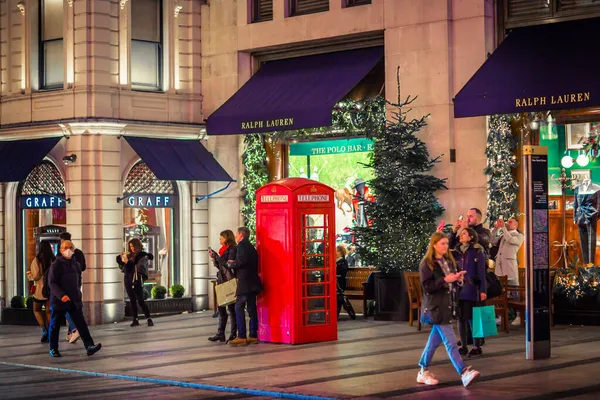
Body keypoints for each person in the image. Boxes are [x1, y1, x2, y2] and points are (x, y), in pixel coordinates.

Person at [417, 232, 480, 388]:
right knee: (451, 342)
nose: (446, 246)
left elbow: (453, 283)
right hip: (436, 307)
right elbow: (427, 287)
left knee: (433, 342)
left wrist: (458, 279)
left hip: (448, 305)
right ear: (434, 245)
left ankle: (423, 370)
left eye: (446, 243)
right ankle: (464, 372)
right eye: (443, 243)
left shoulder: (448, 261)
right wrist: (445, 280)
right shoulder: (427, 264)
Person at [47, 240, 102, 357]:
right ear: (61, 250)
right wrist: (61, 295)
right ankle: (53, 348)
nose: (68, 250)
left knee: (81, 324)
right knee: (55, 325)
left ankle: (89, 346)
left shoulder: (76, 264)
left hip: (74, 300)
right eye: (65, 247)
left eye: (70, 247)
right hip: (59, 300)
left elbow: (78, 281)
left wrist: (78, 293)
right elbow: (52, 283)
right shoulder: (56, 265)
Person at [452, 228, 487, 357]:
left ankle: (477, 346)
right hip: (460, 289)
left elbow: (481, 271)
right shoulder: (456, 251)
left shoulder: (477, 250)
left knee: (474, 318)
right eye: (460, 234)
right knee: (461, 318)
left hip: (473, 289)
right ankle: (463, 346)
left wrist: (483, 290)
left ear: (471, 236)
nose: (461, 235)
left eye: (464, 233)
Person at [227, 227, 262, 347]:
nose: (236, 236)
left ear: (241, 235)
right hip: (253, 282)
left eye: (237, 234)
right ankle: (253, 335)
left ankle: (241, 336)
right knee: (252, 308)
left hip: (245, 282)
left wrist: (231, 264)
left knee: (238, 307)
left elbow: (242, 261)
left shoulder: (241, 246)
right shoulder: (251, 246)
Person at [491, 216, 524, 325]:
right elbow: (492, 240)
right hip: (500, 267)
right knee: (500, 291)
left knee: (514, 290)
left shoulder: (519, 236)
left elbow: (510, 239)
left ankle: (519, 316)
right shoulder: (504, 234)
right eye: (507, 221)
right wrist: (496, 229)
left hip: (510, 268)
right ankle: (501, 315)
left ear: (516, 225)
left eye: (510, 222)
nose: (507, 223)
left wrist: (503, 228)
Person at [208, 230, 238, 343]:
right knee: (221, 308)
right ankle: (220, 333)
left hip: (228, 281)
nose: (219, 239)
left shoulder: (232, 249)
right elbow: (220, 266)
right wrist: (214, 259)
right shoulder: (223, 250)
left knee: (231, 308)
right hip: (221, 280)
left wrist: (216, 256)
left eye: (221, 237)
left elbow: (227, 265)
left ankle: (233, 333)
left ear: (227, 238)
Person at [116, 238, 154, 327]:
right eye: (130, 246)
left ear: (137, 246)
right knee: (132, 300)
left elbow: (140, 267)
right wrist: (121, 260)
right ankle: (135, 319)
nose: (132, 248)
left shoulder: (142, 255)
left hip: (137, 279)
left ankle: (148, 318)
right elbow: (123, 267)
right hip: (128, 278)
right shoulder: (128, 255)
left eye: (133, 246)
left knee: (140, 299)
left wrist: (128, 263)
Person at [59, 232, 87, 344]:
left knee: (66, 307)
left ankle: (75, 328)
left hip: (65, 285)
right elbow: (83, 267)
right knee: (74, 306)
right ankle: (71, 332)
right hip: (77, 283)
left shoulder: (61, 254)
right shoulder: (79, 253)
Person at [26, 241, 55, 342]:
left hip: (40, 290)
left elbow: (36, 276)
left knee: (36, 310)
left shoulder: (37, 260)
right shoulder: (53, 259)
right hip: (51, 290)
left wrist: (29, 275)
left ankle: (44, 330)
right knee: (49, 312)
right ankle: (52, 332)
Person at [336, 245, 349, 316]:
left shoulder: (343, 261)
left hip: (340, 283)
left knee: (338, 297)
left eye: (337, 251)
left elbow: (343, 272)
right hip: (333, 283)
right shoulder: (332, 260)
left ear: (341, 252)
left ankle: (336, 313)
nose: (335, 252)